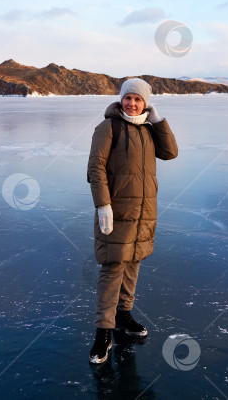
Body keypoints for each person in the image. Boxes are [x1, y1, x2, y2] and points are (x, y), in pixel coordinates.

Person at [86, 77, 178, 364]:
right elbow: (95, 168)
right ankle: (103, 331)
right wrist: (103, 205)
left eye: (138, 99)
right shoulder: (108, 127)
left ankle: (124, 314)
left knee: (134, 262)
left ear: (146, 104)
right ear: (121, 99)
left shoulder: (150, 131)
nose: (132, 103)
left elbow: (171, 152)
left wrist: (159, 121)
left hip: (144, 211)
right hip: (117, 212)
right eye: (128, 98)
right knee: (113, 267)